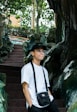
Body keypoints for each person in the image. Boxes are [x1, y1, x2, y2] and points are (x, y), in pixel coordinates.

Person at [21, 42, 59, 112]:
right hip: (35, 103)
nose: (42, 53)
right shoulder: (27, 68)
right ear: (32, 53)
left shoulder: (44, 70)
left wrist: (51, 98)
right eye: (38, 51)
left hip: (48, 100)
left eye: (43, 51)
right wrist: (31, 105)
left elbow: (47, 88)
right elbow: (25, 88)